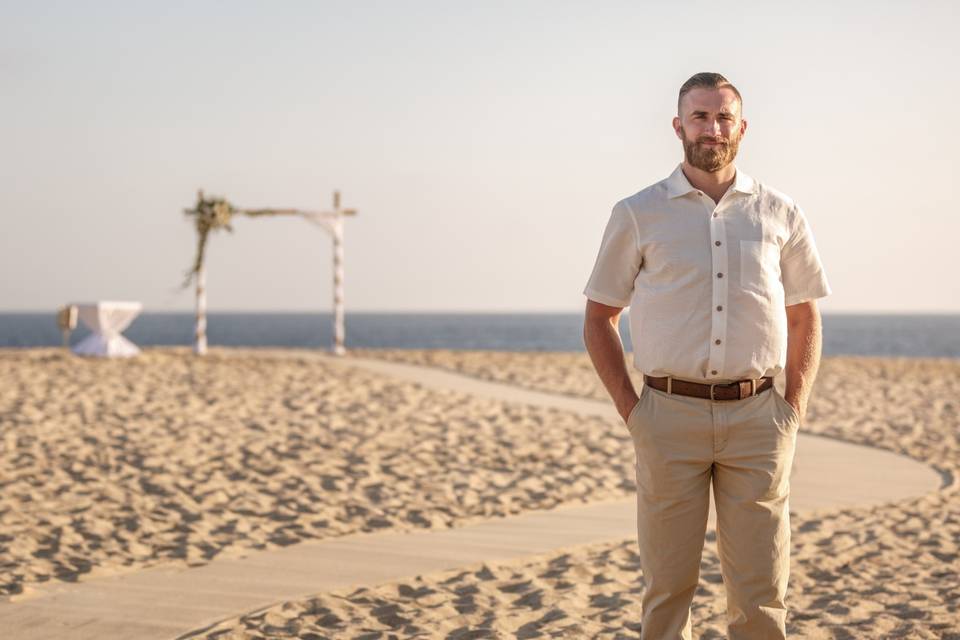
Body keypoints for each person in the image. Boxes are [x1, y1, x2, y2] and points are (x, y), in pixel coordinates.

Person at [582, 72, 831, 639]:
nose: (712, 128)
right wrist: (634, 411)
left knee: (763, 593)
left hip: (759, 420)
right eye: (699, 116)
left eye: (723, 117)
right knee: (668, 589)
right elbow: (600, 317)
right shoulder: (638, 213)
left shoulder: (780, 212)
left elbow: (804, 315)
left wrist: (793, 409)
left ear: (742, 128)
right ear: (678, 126)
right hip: (667, 418)